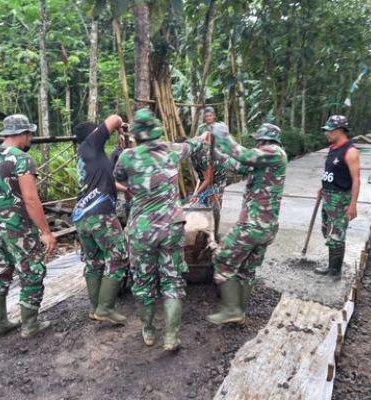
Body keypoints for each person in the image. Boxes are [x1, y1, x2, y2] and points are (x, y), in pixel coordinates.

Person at [114, 108, 208, 351]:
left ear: (136, 134)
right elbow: (193, 144)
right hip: (171, 227)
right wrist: (203, 136)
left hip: (142, 229)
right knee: (173, 281)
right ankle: (171, 336)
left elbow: (120, 180)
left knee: (143, 282)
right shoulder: (171, 150)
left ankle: (148, 330)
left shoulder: (127, 156)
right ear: (157, 131)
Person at [0, 114, 56, 339]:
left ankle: (0, 325)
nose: (31, 139)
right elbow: (31, 199)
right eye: (30, 135)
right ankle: (30, 325)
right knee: (32, 273)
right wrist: (46, 232)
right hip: (19, 230)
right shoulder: (22, 159)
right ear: (23, 134)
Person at [206, 123, 287, 325]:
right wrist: (214, 152)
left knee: (223, 259)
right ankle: (239, 312)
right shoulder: (264, 160)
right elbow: (238, 166)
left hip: (254, 224)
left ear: (264, 140)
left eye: (257, 141)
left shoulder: (274, 152)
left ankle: (232, 310)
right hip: (264, 226)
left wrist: (224, 136)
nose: (256, 144)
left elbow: (244, 156)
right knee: (246, 268)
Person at [71, 116, 131, 325]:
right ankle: (105, 308)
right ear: (94, 135)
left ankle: (96, 308)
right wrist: (121, 126)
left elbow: (107, 181)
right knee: (119, 256)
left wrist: (127, 189)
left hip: (83, 216)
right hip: (100, 215)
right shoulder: (91, 145)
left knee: (94, 261)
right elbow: (114, 118)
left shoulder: (87, 155)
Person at [314, 115, 360, 277]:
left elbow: (356, 180)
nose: (326, 133)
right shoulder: (333, 148)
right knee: (328, 230)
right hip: (328, 196)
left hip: (340, 199)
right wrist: (323, 187)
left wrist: (353, 205)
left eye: (329, 130)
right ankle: (331, 266)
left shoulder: (350, 151)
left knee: (337, 234)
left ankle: (335, 270)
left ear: (340, 130)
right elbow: (332, 172)